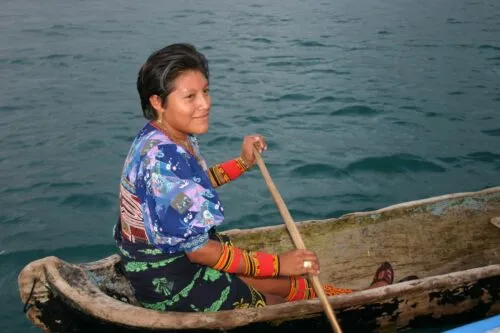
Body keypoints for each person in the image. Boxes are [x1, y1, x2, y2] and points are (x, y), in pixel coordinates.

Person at [114, 43, 396, 312]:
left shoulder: (164, 136)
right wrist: (278, 264)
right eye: (190, 97)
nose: (204, 104)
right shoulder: (163, 159)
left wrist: (243, 163)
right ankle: (359, 303)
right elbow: (199, 251)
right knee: (276, 301)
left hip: (177, 259)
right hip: (170, 279)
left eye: (206, 91)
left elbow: (190, 192)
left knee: (283, 283)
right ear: (157, 101)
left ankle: (359, 298)